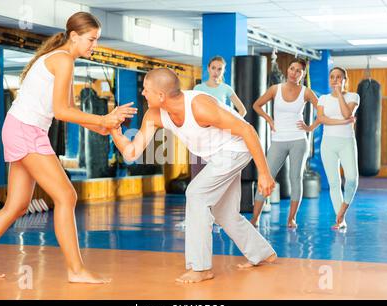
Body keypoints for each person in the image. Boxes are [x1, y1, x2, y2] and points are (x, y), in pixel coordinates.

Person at [0, 12, 137, 284]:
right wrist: (103, 118)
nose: (95, 45)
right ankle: (76, 270)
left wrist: (104, 125)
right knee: (66, 197)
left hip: (21, 128)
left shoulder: (61, 60)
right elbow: (61, 111)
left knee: (15, 206)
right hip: (27, 131)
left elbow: (71, 111)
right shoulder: (63, 60)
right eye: (91, 39)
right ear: (74, 36)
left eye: (97, 40)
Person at [109, 68, 277, 284]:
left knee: (196, 194)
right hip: (217, 156)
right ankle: (262, 253)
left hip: (236, 149)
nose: (142, 93)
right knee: (223, 212)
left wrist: (264, 173)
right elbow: (132, 152)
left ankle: (201, 268)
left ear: (161, 96)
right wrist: (115, 131)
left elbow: (248, 130)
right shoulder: (154, 115)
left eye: (146, 90)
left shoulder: (199, 106)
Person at [251, 59, 319, 228]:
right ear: (287, 69)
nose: (293, 72)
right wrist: (269, 119)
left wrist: (310, 127)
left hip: (298, 140)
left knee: (295, 178)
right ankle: (255, 218)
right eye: (291, 68)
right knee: (266, 178)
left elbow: (322, 111)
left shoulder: (306, 92)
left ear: (303, 75)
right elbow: (256, 105)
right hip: (278, 140)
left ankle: (291, 219)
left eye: (298, 71)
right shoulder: (275, 89)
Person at [188, 56, 248, 182]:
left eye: (219, 69)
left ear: (223, 71)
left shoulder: (226, 88)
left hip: (219, 137)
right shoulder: (198, 89)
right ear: (209, 69)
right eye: (213, 68)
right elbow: (191, 110)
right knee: (197, 174)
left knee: (218, 174)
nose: (216, 72)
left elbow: (242, 110)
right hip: (200, 136)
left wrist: (229, 124)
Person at [317, 67, 359, 229]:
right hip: (328, 143)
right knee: (334, 183)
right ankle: (340, 219)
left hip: (346, 142)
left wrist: (340, 93)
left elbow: (347, 114)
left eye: (338, 77)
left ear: (344, 80)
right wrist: (343, 122)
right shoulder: (323, 99)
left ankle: (342, 211)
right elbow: (321, 119)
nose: (335, 80)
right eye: (332, 77)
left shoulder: (354, 96)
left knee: (352, 179)